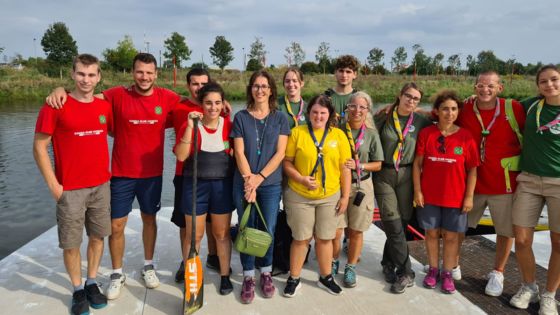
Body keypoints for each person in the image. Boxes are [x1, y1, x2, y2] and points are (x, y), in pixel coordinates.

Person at [45, 53, 181, 299]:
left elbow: (194, 103)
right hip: (120, 174)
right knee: (116, 225)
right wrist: (59, 89)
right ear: (132, 72)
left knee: (150, 219)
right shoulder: (116, 94)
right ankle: (117, 273)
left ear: (156, 74)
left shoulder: (167, 97)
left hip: (152, 174)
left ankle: (148, 265)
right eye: (140, 71)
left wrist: (221, 104)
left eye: (149, 72)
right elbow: (85, 96)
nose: (144, 77)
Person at [33, 54, 112, 315]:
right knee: (71, 243)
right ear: (72, 74)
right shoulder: (56, 105)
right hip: (70, 189)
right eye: (81, 74)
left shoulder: (104, 106)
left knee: (98, 237)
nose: (86, 79)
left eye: (91, 75)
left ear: (99, 77)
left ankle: (91, 282)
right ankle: (77, 289)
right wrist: (54, 186)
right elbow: (39, 147)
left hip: (101, 185)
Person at [455, 71, 525, 296]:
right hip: (471, 182)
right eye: (481, 86)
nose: (485, 90)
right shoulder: (465, 108)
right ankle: (452, 265)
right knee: (458, 227)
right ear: (475, 87)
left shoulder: (513, 108)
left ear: (500, 88)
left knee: (506, 231)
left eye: (490, 86)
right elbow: (440, 115)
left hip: (504, 183)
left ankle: (497, 272)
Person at [282, 94, 352, 297]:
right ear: (308, 113)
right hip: (300, 194)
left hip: (329, 195)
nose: (318, 116)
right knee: (301, 239)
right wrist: (301, 178)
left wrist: (345, 196)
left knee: (325, 238)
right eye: (314, 112)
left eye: (323, 113)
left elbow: (345, 169)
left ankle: (325, 276)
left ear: (329, 114)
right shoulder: (297, 133)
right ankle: (294, 277)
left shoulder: (338, 136)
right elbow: (287, 163)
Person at [231, 70, 290, 304]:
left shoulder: (280, 118)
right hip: (244, 182)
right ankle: (247, 275)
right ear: (250, 89)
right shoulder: (241, 117)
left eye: (264, 86)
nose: (260, 90)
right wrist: (249, 179)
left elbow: (280, 153)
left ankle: (265, 271)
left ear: (271, 90)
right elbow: (238, 151)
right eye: (256, 86)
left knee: (268, 229)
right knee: (246, 227)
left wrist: (259, 179)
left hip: (270, 185)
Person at [413, 90, 478, 294]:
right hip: (430, 195)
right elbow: (417, 165)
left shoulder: (466, 137)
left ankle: (447, 273)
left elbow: (473, 170)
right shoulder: (427, 134)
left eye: (453, 109)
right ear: (436, 111)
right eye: (444, 109)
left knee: (451, 237)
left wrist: (468, 197)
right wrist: (418, 191)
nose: (449, 113)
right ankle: (433, 269)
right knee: (431, 233)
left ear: (458, 111)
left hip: (456, 197)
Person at [174, 82, 234, 295]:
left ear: (223, 104)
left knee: (222, 234)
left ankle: (225, 276)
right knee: (194, 237)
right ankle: (193, 282)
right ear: (201, 104)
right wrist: (190, 126)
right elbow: (181, 156)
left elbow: (238, 152)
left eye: (217, 103)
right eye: (208, 103)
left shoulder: (229, 125)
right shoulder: (190, 125)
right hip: (195, 187)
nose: (213, 107)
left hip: (221, 187)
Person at [509, 64, 560, 314]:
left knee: (558, 242)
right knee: (521, 238)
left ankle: (550, 295)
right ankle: (529, 286)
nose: (550, 85)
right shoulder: (531, 105)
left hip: (559, 183)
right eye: (544, 81)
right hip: (529, 180)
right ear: (538, 86)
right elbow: (501, 105)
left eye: (554, 79)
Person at [373, 83, 432, 293]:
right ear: (399, 95)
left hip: (408, 174)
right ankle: (407, 271)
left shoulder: (422, 120)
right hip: (385, 175)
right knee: (392, 222)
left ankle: (387, 263)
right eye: (408, 96)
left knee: (403, 222)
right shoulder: (384, 116)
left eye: (416, 99)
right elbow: (365, 130)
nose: (411, 101)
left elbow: (446, 117)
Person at [168, 68, 222, 283]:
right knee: (187, 224)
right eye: (195, 84)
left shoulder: (217, 107)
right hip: (186, 174)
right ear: (188, 85)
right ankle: (187, 261)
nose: (199, 88)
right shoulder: (178, 108)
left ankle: (213, 255)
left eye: (203, 84)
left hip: (213, 174)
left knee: (210, 221)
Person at [339, 92, 383, 288]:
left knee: (356, 229)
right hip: (338, 185)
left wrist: (360, 165)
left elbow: (379, 164)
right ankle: (332, 262)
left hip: (361, 185)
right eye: (353, 106)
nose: (357, 111)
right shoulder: (337, 129)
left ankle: (350, 266)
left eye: (362, 107)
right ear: (347, 107)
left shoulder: (371, 134)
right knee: (336, 228)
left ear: (367, 111)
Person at [324, 55, 359, 125]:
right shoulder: (325, 97)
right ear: (335, 73)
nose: (344, 75)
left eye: (348, 72)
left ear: (354, 74)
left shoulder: (360, 98)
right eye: (341, 71)